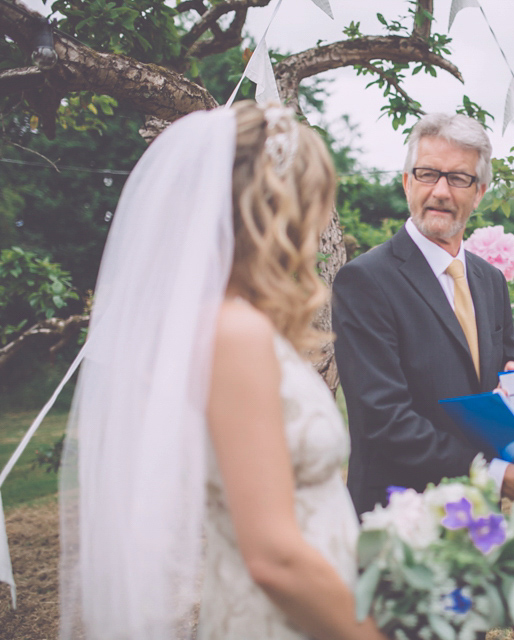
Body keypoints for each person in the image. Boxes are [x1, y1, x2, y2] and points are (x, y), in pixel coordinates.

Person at [59, 102, 387, 640]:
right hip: (287, 620)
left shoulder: (234, 322)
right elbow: (274, 555)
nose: (319, 230)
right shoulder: (233, 334)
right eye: (315, 208)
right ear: (274, 211)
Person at [332, 113, 514, 517]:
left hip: (479, 521)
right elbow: (383, 420)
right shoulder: (364, 281)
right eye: (427, 174)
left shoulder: (490, 280)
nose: (440, 190)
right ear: (406, 182)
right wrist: (490, 471)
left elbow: (507, 370)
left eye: (458, 178)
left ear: (480, 192)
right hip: (400, 522)